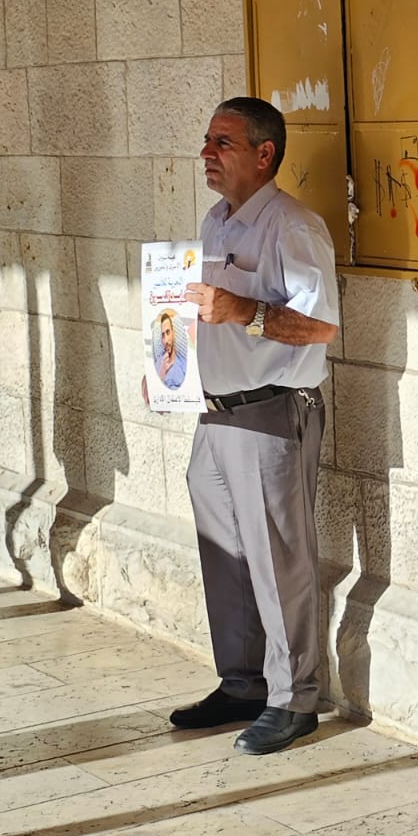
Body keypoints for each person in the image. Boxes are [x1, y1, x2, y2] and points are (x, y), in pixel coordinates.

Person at [166, 97, 340, 756]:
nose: (207, 153)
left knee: (277, 558)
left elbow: (320, 326)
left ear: (265, 154)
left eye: (224, 142)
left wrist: (245, 311)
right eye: (207, 140)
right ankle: (242, 682)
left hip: (271, 410)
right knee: (227, 555)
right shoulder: (215, 222)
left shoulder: (293, 227)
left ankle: (294, 699)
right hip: (214, 412)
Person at [155, 309, 188, 390]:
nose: (166, 340)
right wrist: (163, 372)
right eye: (163, 335)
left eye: (168, 332)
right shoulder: (157, 365)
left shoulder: (184, 365)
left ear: (173, 333)